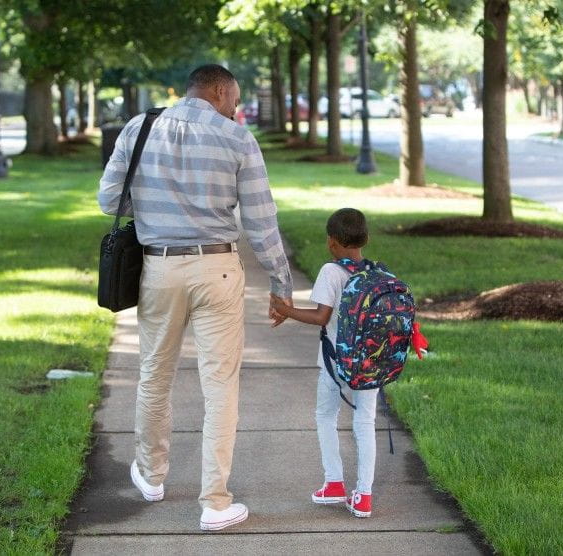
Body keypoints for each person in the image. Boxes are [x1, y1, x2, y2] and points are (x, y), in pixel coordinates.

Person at [98, 64, 293, 531]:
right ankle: (215, 502)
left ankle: (150, 476)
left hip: (159, 267)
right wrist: (281, 282)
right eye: (236, 101)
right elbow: (261, 221)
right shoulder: (237, 139)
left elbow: (110, 202)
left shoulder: (139, 127)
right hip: (217, 267)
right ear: (220, 90)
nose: (236, 109)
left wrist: (154, 195)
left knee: (154, 375)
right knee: (220, 384)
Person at [271, 208, 377, 518]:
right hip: (370, 361)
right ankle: (364, 496)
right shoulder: (373, 272)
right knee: (365, 422)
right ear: (366, 238)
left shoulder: (331, 271)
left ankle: (334, 484)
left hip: (337, 361)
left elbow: (321, 316)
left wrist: (286, 310)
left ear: (331, 242)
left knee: (325, 415)